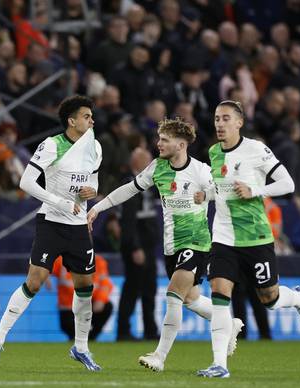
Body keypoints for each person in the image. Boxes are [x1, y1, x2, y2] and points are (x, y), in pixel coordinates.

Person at [88, 118, 243, 372]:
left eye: (164, 140)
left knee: (172, 295)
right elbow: (129, 189)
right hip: (171, 245)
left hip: (197, 242)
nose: (158, 143)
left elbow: (225, 191)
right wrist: (98, 207)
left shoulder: (201, 170)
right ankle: (228, 322)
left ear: (181, 145)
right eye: (159, 138)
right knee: (190, 300)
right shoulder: (157, 168)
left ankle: (159, 356)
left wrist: (208, 195)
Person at [197, 101, 300, 378]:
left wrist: (255, 190)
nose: (219, 124)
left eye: (226, 118)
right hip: (223, 237)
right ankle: (219, 364)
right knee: (218, 295)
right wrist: (208, 194)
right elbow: (222, 189)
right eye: (216, 119)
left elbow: (288, 184)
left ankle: (298, 299)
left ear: (239, 123)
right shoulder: (214, 153)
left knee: (269, 299)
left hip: (255, 237)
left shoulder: (256, 149)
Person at [0, 95, 103, 371]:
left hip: (78, 227)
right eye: (86, 116)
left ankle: (81, 347)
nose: (92, 120)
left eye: (91, 116)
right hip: (51, 222)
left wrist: (93, 191)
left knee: (85, 287)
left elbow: (94, 182)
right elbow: (26, 182)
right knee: (35, 281)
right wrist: (60, 202)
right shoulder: (52, 145)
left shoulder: (95, 146)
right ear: (72, 121)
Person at [115, 148, 160, 341]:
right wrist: (135, 247)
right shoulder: (130, 184)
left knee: (149, 287)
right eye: (147, 161)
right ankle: (123, 331)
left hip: (147, 244)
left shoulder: (147, 183)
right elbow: (128, 220)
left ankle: (150, 329)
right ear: (137, 163)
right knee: (133, 288)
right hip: (137, 244)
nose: (151, 165)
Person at [53, 254, 114, 341]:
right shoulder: (61, 260)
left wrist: (100, 299)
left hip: (89, 304)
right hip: (69, 307)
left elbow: (106, 283)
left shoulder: (98, 261)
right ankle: (80, 339)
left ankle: (90, 339)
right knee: (71, 327)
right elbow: (42, 265)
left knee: (107, 306)